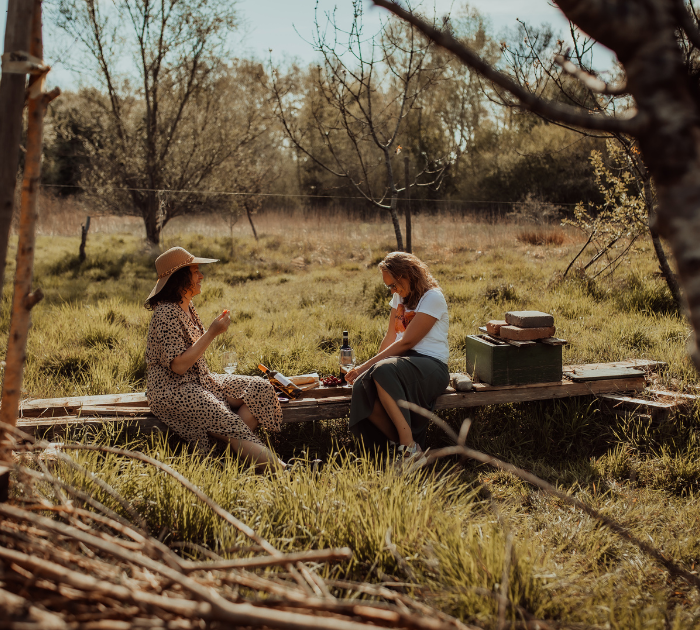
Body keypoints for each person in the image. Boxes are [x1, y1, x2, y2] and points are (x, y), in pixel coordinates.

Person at [145, 246, 285, 470]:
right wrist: (212, 332)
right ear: (180, 278)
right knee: (229, 422)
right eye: (195, 271)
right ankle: (283, 470)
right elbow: (179, 366)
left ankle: (228, 459)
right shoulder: (165, 313)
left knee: (261, 388)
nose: (201, 276)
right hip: (172, 389)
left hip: (201, 379)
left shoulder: (187, 305)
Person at [344, 252, 450, 463]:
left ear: (407, 275)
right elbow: (391, 337)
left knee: (382, 370)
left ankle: (410, 450)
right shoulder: (399, 297)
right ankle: (403, 446)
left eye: (393, 285)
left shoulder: (433, 297)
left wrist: (365, 366)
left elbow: (407, 342)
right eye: (389, 287)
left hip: (431, 365)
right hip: (401, 363)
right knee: (362, 386)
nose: (392, 290)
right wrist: (365, 372)